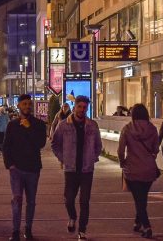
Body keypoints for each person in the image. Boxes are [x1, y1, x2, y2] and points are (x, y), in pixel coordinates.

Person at [51, 96, 101, 240]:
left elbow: (98, 145)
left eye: (84, 107)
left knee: (84, 201)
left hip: (87, 170)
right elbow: (55, 144)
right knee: (68, 199)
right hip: (70, 169)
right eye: (79, 107)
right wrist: (63, 158)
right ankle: (72, 217)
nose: (82, 110)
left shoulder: (92, 125)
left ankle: (82, 230)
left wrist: (93, 157)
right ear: (74, 108)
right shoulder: (63, 125)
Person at [2, 94, 47, 241]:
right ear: (19, 105)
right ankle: (15, 231)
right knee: (17, 200)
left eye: (29, 104)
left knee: (31, 201)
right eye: (24, 104)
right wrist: (10, 165)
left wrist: (29, 128)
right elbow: (6, 146)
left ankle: (28, 229)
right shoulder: (12, 125)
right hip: (16, 170)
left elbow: (40, 143)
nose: (27, 106)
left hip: (33, 169)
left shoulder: (38, 125)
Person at [119, 104, 159, 238]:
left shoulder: (127, 128)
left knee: (138, 200)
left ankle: (147, 226)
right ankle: (137, 223)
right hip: (149, 169)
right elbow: (155, 149)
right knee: (142, 197)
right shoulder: (152, 129)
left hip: (133, 168)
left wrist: (122, 161)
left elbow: (120, 150)